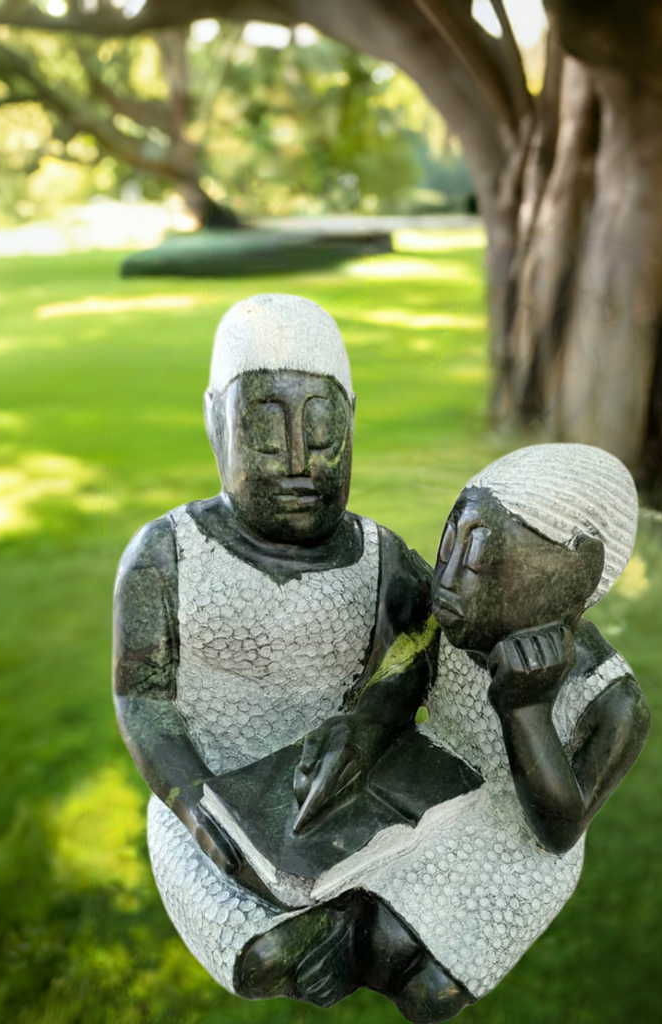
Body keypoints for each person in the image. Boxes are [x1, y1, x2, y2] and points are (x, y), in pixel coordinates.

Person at [112, 294, 439, 1004]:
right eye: (263, 431)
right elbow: (142, 698)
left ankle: (356, 925)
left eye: (322, 432)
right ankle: (355, 930)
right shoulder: (166, 554)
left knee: (437, 864)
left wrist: (373, 720)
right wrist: (192, 799)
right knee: (262, 959)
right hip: (212, 793)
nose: (298, 462)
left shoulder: (379, 556)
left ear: (353, 421)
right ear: (214, 423)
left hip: (337, 791)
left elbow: (431, 641)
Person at [357, 443, 651, 1017]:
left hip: (519, 846)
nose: (447, 580)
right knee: (376, 942)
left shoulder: (615, 705)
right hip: (436, 793)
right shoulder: (449, 626)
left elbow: (556, 831)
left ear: (569, 583)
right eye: (449, 546)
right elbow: (393, 694)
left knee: (428, 995)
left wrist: (527, 711)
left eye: (482, 563)